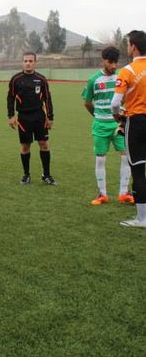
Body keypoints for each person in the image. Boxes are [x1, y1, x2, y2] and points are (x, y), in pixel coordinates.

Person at [82, 46, 133, 205]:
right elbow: (87, 102)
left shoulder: (120, 76)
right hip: (100, 125)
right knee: (100, 160)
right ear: (103, 60)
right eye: (110, 62)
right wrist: (98, 115)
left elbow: (124, 97)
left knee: (126, 157)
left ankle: (124, 193)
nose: (113, 66)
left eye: (116, 62)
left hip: (119, 125)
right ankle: (102, 194)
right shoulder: (93, 80)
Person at [111, 30, 146, 227]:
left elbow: (115, 104)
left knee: (139, 170)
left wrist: (118, 115)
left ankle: (142, 218)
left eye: (127, 44)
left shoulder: (127, 71)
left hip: (137, 122)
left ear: (133, 47)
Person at [7, 51, 56, 185]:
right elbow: (10, 98)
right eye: (25, 61)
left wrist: (50, 117)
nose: (28, 63)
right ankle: (26, 175)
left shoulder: (41, 79)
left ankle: (46, 175)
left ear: (35, 62)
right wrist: (11, 116)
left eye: (30, 61)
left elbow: (47, 98)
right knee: (25, 146)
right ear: (22, 62)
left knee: (44, 144)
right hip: (23, 117)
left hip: (39, 116)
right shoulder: (15, 79)